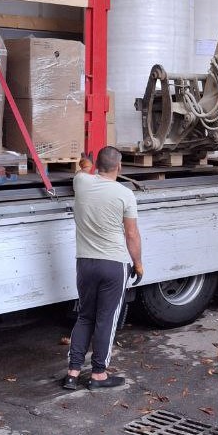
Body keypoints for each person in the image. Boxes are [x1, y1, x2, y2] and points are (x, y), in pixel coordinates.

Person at [63, 146, 143, 391]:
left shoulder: (82, 183)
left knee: (85, 316)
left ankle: (72, 373)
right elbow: (131, 234)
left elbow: (83, 170)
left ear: (97, 165)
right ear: (119, 167)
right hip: (113, 264)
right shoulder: (125, 194)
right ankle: (99, 374)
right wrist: (138, 264)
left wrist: (85, 164)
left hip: (85, 263)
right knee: (106, 319)